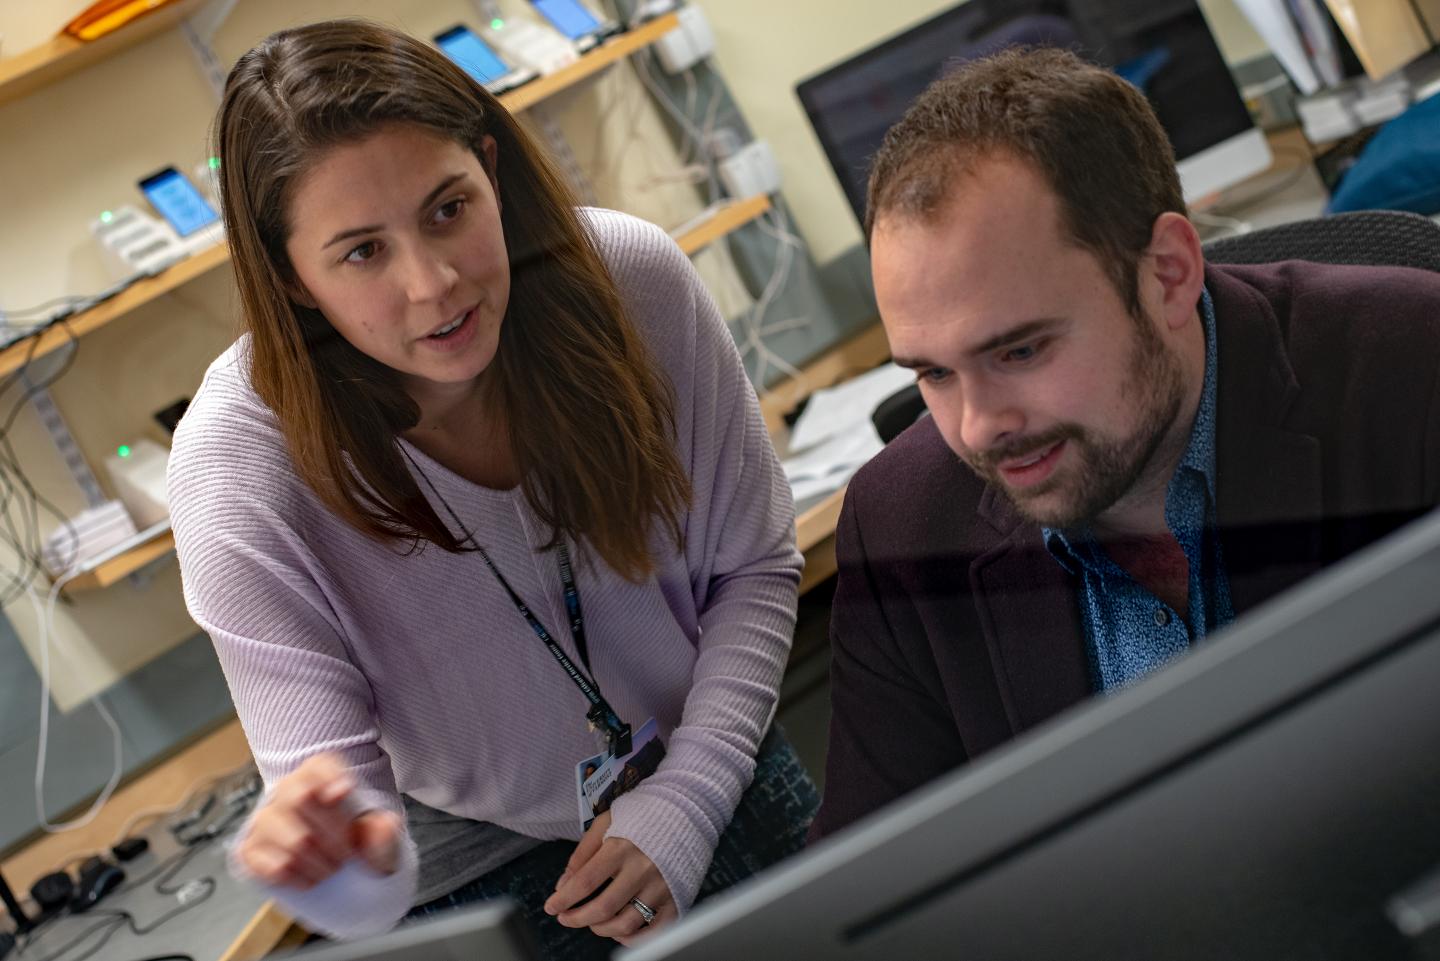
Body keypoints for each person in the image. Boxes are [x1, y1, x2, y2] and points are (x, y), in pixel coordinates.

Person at [167, 19, 818, 958]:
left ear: (490, 168)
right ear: (293, 279)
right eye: (362, 252)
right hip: (474, 864)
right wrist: (332, 862)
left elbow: (752, 566)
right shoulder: (237, 467)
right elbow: (355, 858)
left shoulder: (630, 282)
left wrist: (691, 793)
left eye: (448, 209)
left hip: (712, 757)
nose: (432, 283)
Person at [811, 47, 1440, 839]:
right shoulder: (899, 524)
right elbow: (882, 879)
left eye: (1020, 351)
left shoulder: (1415, 365)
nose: (976, 427)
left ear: (1169, 274)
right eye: (934, 373)